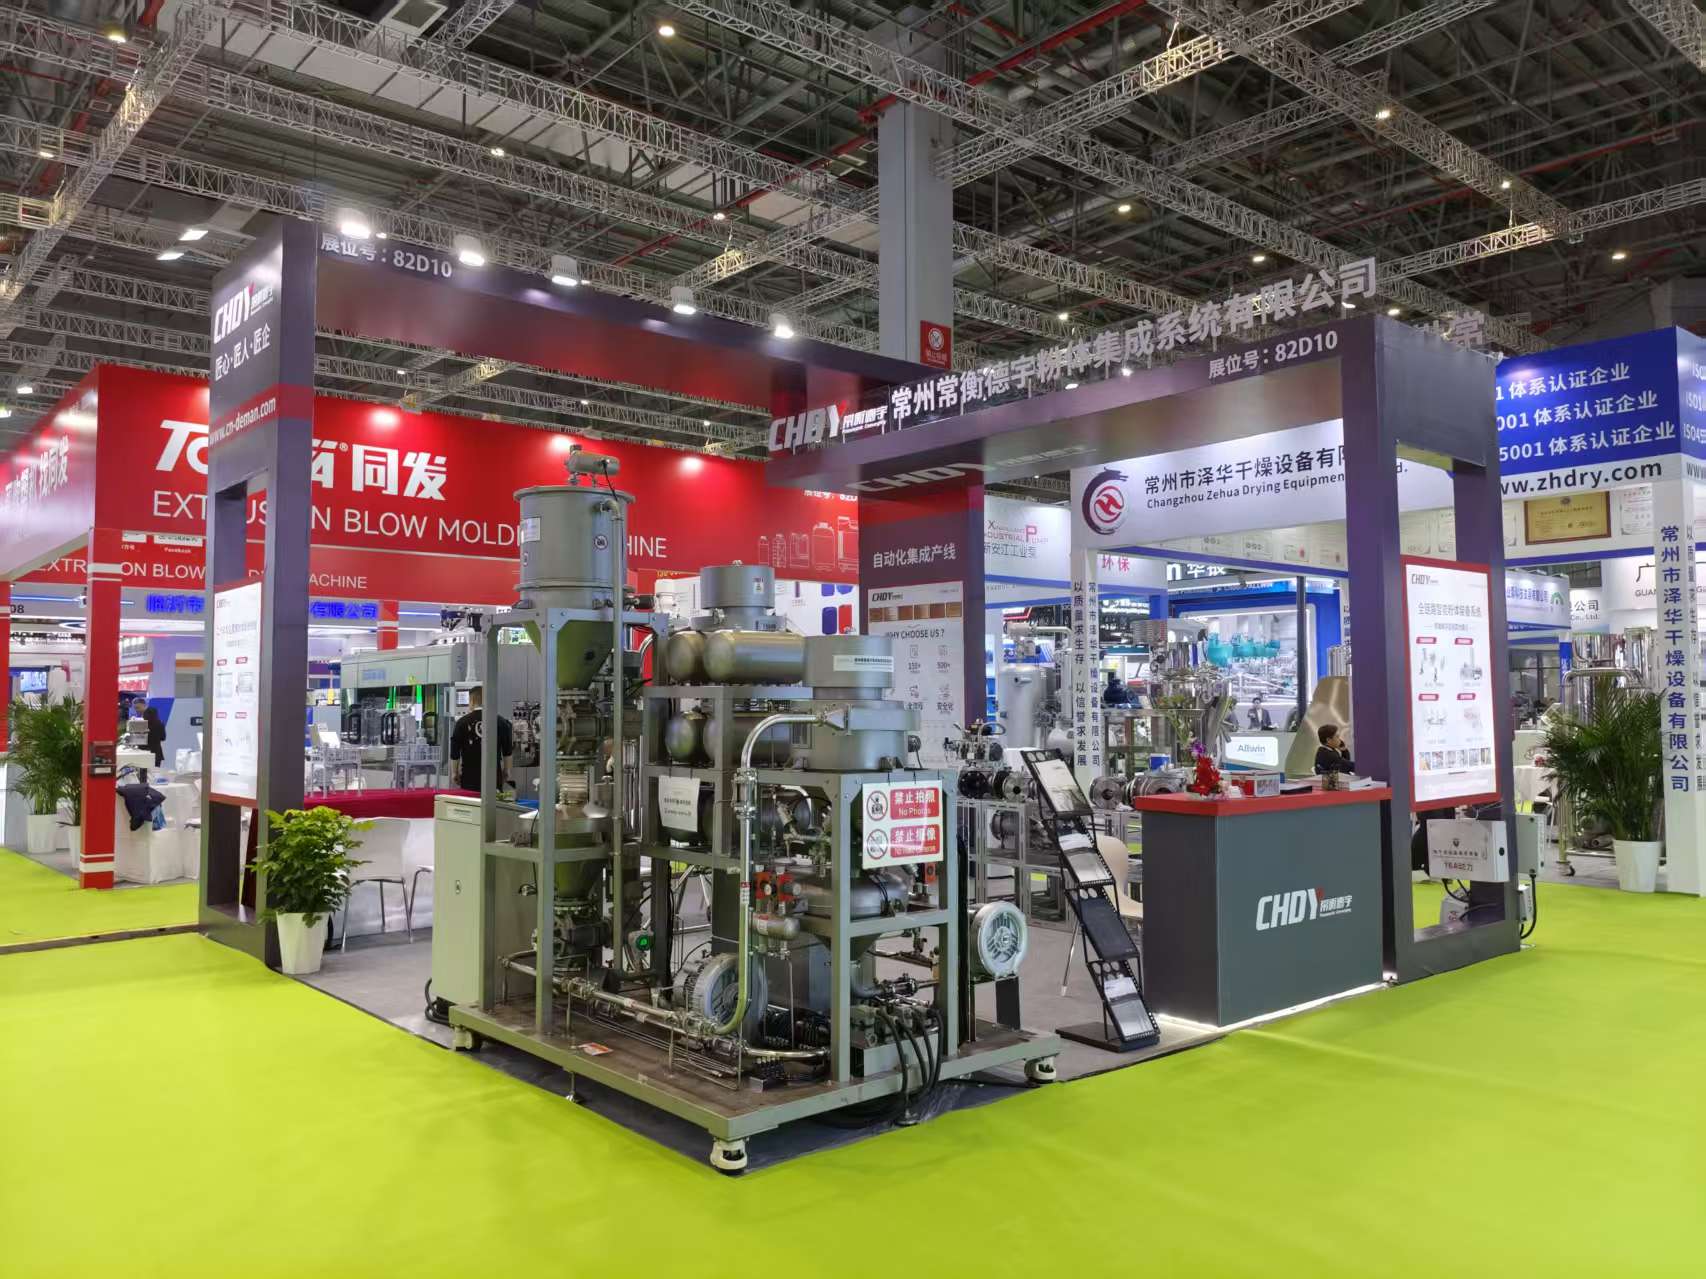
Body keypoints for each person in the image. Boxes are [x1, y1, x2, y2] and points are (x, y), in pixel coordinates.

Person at [449, 686, 514, 792]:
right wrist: (507, 771)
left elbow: (454, 751)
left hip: (469, 778)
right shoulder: (501, 722)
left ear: (472, 700)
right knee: (493, 802)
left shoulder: (461, 723)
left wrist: (454, 772)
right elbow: (507, 751)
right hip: (493, 778)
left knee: (471, 802)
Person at [138, 699, 166, 767]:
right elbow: (163, 738)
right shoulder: (160, 724)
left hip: (145, 752)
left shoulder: (144, 726)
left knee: (145, 771)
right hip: (157, 752)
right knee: (155, 771)